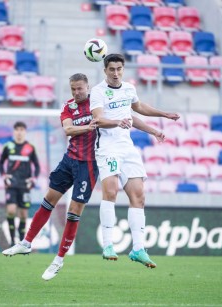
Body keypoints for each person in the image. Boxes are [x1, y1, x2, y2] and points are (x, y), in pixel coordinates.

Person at [2, 73, 164, 280]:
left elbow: (129, 117)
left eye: (80, 88)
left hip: (89, 165)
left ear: (88, 87)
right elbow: (68, 129)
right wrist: (87, 127)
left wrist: (153, 129)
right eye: (73, 89)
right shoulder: (69, 106)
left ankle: (58, 260)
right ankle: (26, 243)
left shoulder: (99, 101)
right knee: (48, 200)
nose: (77, 92)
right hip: (69, 160)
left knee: (73, 211)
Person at [90, 53, 180, 269]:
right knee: (110, 191)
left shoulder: (129, 88)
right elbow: (98, 119)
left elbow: (137, 110)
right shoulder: (98, 91)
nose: (115, 73)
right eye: (111, 69)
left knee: (139, 195)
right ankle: (108, 245)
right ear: (105, 71)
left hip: (127, 149)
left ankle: (138, 249)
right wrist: (116, 122)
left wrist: (159, 121)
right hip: (107, 148)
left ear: (123, 69)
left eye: (119, 69)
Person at [0, 121, 40, 246]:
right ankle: (11, 241)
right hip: (11, 184)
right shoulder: (8, 146)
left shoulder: (30, 148)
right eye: (17, 129)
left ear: (25, 132)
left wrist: (34, 178)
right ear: (14, 131)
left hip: (25, 185)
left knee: (23, 214)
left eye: (22, 129)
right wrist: (4, 175)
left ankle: (22, 241)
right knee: (11, 210)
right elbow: (0, 163)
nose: (19, 132)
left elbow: (36, 165)